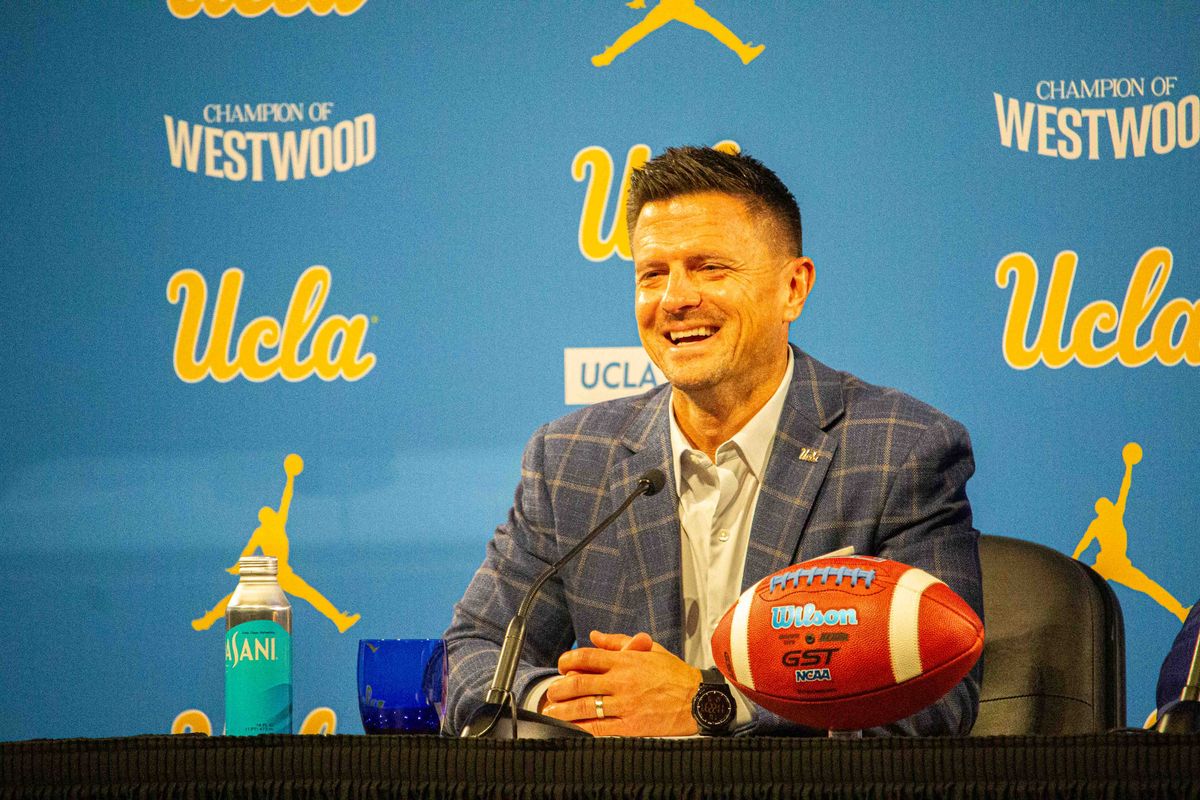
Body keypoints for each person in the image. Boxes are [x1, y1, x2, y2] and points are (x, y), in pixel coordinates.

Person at [444, 146, 982, 736]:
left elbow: (936, 701)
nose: (675, 298)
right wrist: (582, 703)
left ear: (793, 289)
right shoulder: (571, 460)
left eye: (709, 268)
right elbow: (471, 654)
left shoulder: (899, 452)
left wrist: (709, 705)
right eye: (653, 273)